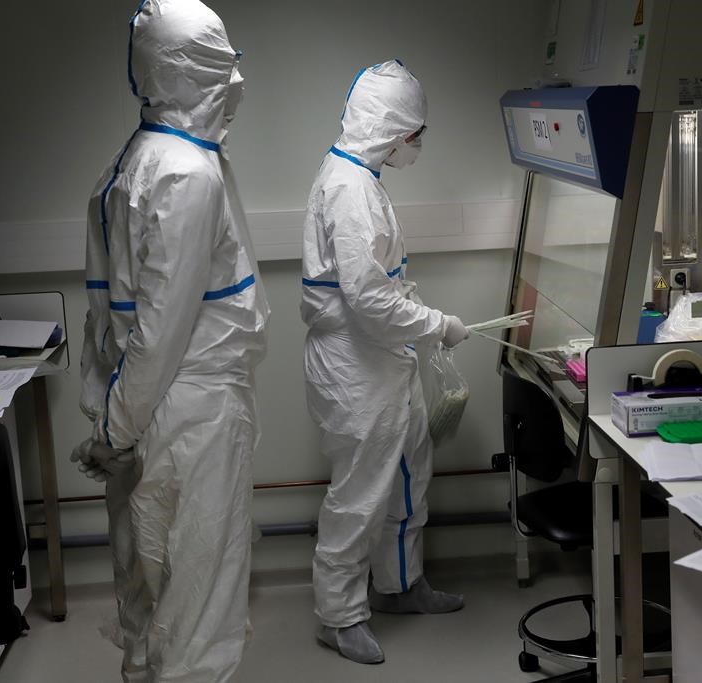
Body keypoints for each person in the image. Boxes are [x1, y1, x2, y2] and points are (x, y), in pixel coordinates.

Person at [72, 1, 269, 680]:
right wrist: (117, 430)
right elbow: (161, 333)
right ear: (184, 72)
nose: (235, 79)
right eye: (222, 64)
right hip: (192, 416)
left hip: (151, 410)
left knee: (151, 595)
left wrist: (110, 420)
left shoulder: (138, 156)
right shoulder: (189, 174)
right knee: (197, 610)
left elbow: (113, 316)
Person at [300, 59, 469, 665]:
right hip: (355, 365)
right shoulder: (348, 189)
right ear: (391, 129)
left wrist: (418, 317)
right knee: (361, 490)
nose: (416, 145)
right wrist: (437, 327)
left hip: (381, 357)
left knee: (407, 472)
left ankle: (400, 585)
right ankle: (338, 615)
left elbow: (381, 280)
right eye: (413, 133)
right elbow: (368, 300)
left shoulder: (362, 176)